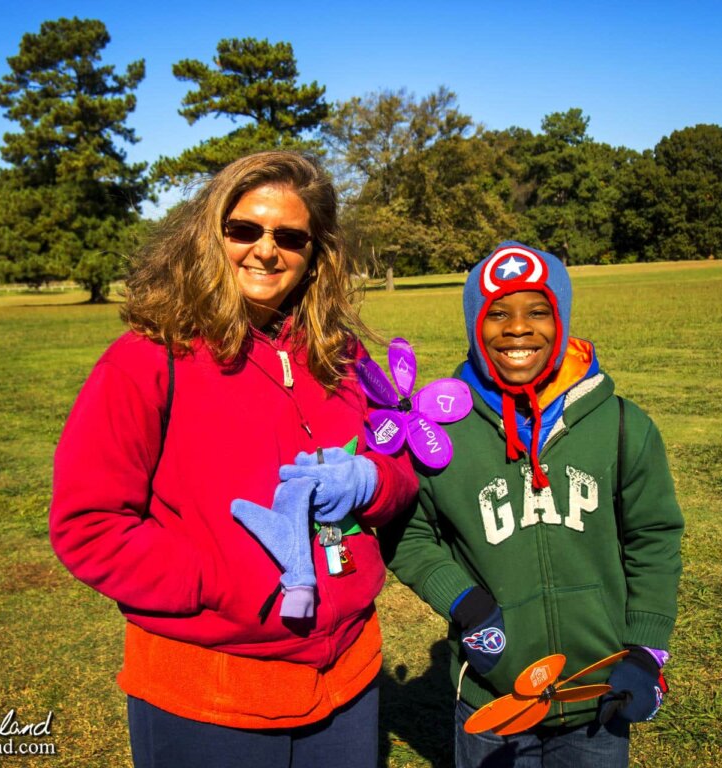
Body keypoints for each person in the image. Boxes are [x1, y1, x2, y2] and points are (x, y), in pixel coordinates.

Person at [49, 151, 417, 768]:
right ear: (210, 234)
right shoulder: (146, 358)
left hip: (347, 676)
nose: (266, 251)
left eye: (290, 236)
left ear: (316, 253)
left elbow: (402, 464)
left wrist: (372, 481)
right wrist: (225, 580)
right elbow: (88, 527)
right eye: (244, 229)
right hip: (211, 689)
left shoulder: (341, 354)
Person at [380, 241, 683, 767]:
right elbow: (407, 532)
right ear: (475, 325)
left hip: (598, 695)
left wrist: (645, 647)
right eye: (497, 314)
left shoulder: (620, 426)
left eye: (537, 311)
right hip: (493, 699)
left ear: (561, 320)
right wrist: (465, 602)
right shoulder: (440, 433)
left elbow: (653, 537)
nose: (518, 328)